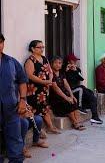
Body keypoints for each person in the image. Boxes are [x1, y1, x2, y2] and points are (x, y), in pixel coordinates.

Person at [0, 34, 28, 163]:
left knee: (15, 144)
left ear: (3, 43)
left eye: (0, 42)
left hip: (11, 110)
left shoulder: (11, 62)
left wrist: (22, 100)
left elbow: (22, 81)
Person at [24, 40, 60, 134]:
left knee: (44, 108)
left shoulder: (44, 58)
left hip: (44, 89)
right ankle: (39, 131)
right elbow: (30, 75)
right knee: (35, 109)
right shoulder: (30, 60)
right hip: (35, 90)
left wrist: (50, 80)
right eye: (39, 47)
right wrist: (44, 82)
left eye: (42, 47)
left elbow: (50, 71)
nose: (42, 49)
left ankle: (50, 127)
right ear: (32, 49)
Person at [64, 54, 103, 124]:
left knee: (91, 94)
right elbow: (63, 80)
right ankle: (79, 107)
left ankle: (95, 117)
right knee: (81, 88)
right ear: (68, 61)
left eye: (76, 60)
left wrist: (75, 70)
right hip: (69, 91)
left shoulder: (77, 69)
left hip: (78, 90)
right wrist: (66, 71)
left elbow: (82, 78)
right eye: (74, 60)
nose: (75, 62)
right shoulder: (64, 69)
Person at [50, 56, 86, 131]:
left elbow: (66, 84)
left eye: (59, 63)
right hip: (56, 99)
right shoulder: (50, 74)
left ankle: (78, 121)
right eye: (56, 63)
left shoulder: (61, 73)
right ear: (52, 64)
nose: (58, 65)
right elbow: (56, 89)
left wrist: (72, 96)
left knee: (74, 101)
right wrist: (67, 98)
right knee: (68, 103)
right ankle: (75, 123)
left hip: (64, 96)